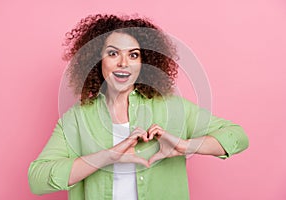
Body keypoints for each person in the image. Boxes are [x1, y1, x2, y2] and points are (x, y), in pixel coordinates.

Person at [28, 14, 249, 200]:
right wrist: (108, 156)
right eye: (113, 53)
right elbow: (37, 180)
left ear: (144, 63)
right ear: (97, 60)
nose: (124, 63)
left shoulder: (171, 107)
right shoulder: (77, 118)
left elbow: (237, 136)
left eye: (133, 55)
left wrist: (186, 146)